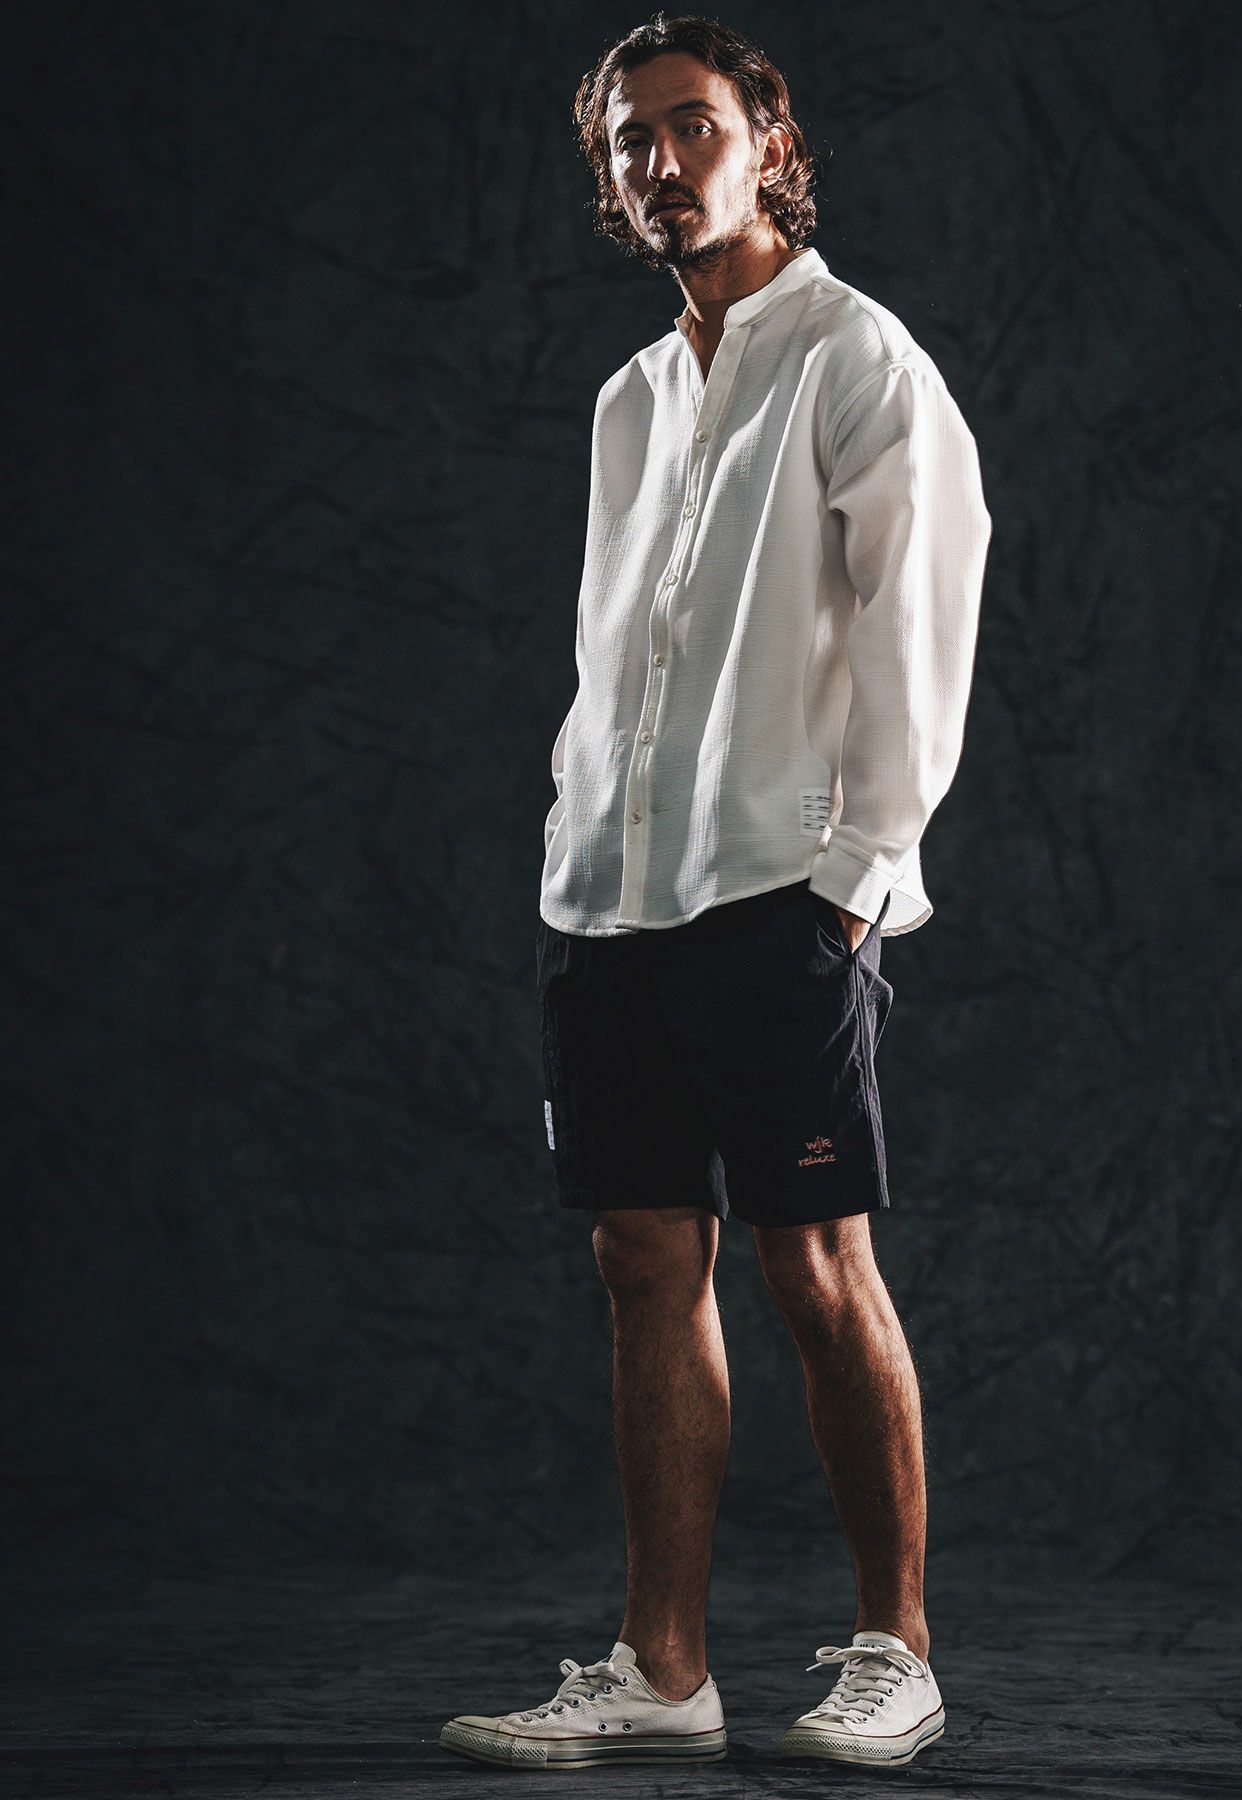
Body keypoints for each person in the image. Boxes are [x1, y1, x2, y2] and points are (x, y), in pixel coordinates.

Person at [441, 10, 990, 1773]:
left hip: (780, 895)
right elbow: (618, 658)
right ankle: (662, 1670)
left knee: (815, 1264)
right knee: (641, 1261)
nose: (661, 162)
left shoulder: (857, 358)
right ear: (610, 181)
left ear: (769, 143)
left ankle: (897, 1653)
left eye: (692, 126)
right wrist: (573, 835)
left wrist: (856, 882)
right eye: (631, 142)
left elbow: (921, 627)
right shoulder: (633, 397)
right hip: (611, 899)